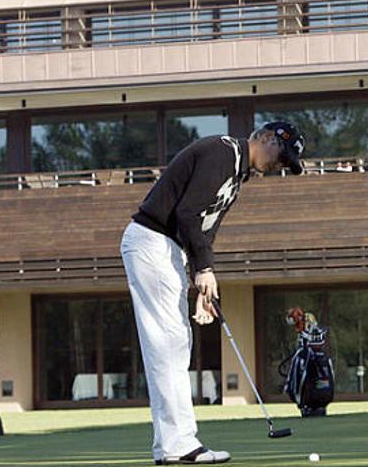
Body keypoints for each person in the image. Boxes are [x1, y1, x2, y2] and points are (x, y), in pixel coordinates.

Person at [120, 122, 305, 465]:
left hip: (167, 249)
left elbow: (204, 229)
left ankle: (172, 445)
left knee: (175, 345)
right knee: (169, 344)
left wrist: (201, 281)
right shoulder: (223, 152)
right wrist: (204, 270)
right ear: (265, 137)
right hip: (152, 241)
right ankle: (179, 445)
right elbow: (186, 212)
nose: (280, 166)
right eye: (282, 156)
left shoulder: (237, 175)